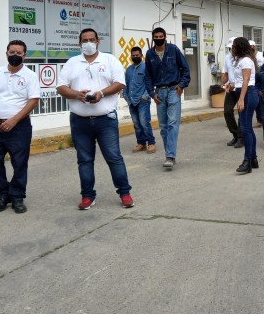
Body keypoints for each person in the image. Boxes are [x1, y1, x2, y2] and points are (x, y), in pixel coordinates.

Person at [57, 28, 133, 210]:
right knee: (84, 160)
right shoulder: (72, 63)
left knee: (114, 157)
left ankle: (125, 193)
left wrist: (101, 93)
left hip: (105, 120)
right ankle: (87, 196)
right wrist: (76, 94)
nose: (88, 43)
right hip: (79, 121)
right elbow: (60, 87)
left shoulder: (109, 60)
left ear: (98, 41)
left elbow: (120, 83)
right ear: (79, 43)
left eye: (92, 39)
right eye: (84, 40)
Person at [0, 40, 40, 214]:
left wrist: (14, 120)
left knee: (20, 163)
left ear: (25, 55)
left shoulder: (30, 76)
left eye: (19, 53)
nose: (15, 55)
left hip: (19, 127)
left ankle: (17, 196)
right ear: (6, 53)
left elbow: (34, 101)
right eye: (12, 52)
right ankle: (3, 194)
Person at [144, 27, 190, 169]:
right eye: (156, 36)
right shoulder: (150, 54)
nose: (158, 38)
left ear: (165, 36)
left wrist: (181, 85)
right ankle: (169, 155)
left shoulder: (174, 50)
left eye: (160, 36)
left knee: (172, 124)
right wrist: (152, 93)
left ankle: (170, 156)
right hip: (159, 93)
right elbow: (148, 76)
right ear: (153, 38)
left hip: (173, 90)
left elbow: (185, 69)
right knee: (163, 127)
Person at [232, 37, 260, 174]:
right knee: (247, 128)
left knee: (245, 128)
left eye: (234, 45)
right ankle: (253, 159)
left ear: (239, 46)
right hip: (243, 92)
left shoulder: (246, 60)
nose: (232, 48)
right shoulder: (240, 60)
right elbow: (239, 80)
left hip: (248, 93)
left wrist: (241, 99)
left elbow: (247, 80)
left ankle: (247, 161)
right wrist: (231, 86)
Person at [123, 46, 156, 154]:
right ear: (131, 56)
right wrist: (127, 98)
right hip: (132, 102)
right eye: (133, 55)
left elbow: (151, 83)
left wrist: (145, 96)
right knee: (136, 124)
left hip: (143, 101)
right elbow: (125, 85)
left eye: (137, 55)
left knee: (144, 123)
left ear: (141, 55)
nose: (135, 57)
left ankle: (151, 143)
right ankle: (141, 143)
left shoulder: (147, 67)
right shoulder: (128, 70)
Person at [221, 37, 242, 148]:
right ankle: (235, 134)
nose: (231, 50)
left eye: (232, 48)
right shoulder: (227, 58)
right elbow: (225, 73)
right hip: (230, 88)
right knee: (227, 111)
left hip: (241, 88)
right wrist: (222, 84)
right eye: (229, 48)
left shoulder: (244, 58)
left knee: (241, 113)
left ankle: (241, 137)